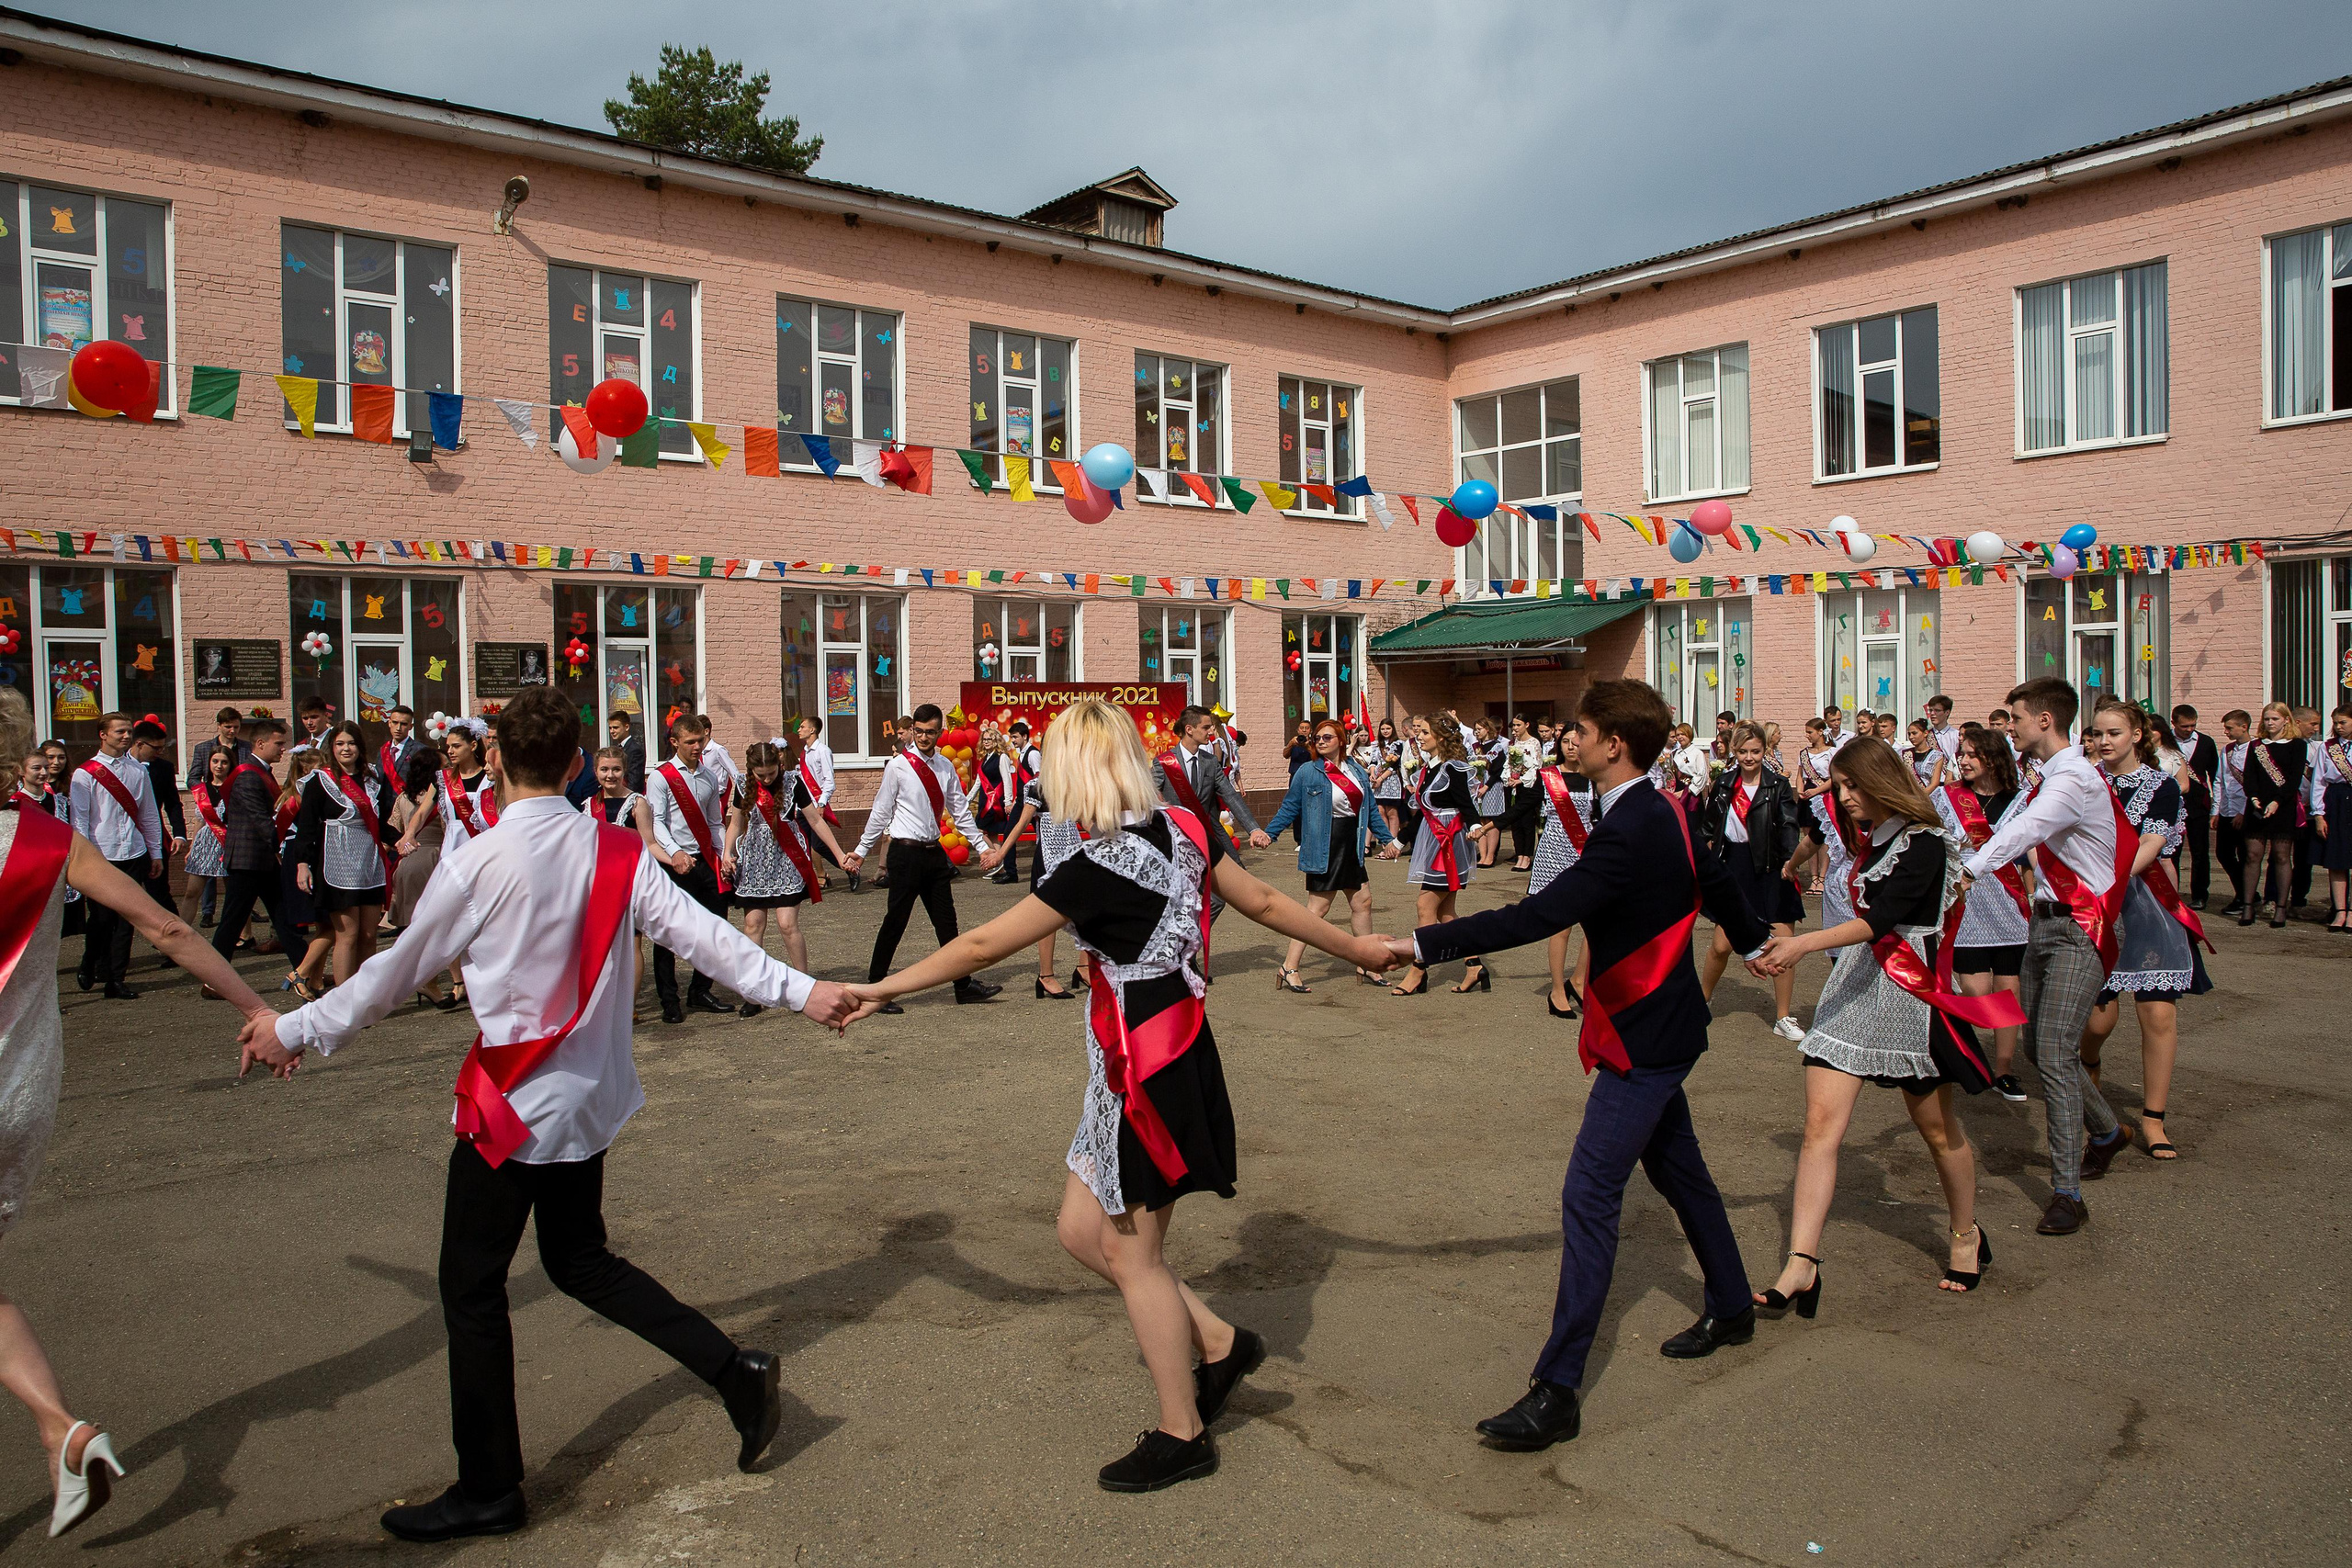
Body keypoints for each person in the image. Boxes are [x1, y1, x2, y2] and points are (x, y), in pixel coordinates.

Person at [238, 686, 856, 1543]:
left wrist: (294, 1027)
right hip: (586, 1100)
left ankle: (490, 1486)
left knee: (470, 1285)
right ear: (576, 765)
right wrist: (803, 990)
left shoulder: (480, 860)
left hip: (513, 1108)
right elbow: (705, 939)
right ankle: (734, 1371)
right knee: (579, 1259)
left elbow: (390, 976)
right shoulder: (615, 851)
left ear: (495, 757)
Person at [840, 697, 1392, 1492]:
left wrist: (878, 988)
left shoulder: (1095, 866)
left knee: (1133, 1254)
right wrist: (1357, 946)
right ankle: (1219, 1342)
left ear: (1074, 771)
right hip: (1142, 1053)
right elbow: (1266, 903)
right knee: (1078, 1230)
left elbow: (983, 942)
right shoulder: (1185, 827)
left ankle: (1183, 1430)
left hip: (1148, 1063)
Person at [1385, 681, 1770, 1451]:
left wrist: (1422, 943)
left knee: (1590, 1191)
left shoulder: (1632, 824)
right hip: (1662, 1024)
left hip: (1644, 1038)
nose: (1571, 739)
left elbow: (1541, 913)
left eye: (1582, 729)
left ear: (1615, 745)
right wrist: (1755, 938)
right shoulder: (1661, 804)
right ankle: (1732, 1304)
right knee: (1680, 1172)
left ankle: (1558, 1388)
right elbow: (1717, 878)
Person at [0, 687, 275, 1540]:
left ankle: (63, 1428)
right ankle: (61, 1430)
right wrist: (258, 1008)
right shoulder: (50, 839)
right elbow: (166, 927)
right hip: (23, 1084)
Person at [1750, 737, 2017, 1308]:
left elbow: (1886, 920)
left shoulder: (1926, 842)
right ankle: (1801, 1264)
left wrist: (1802, 945)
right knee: (1820, 1127)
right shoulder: (1875, 839)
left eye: (1853, 786)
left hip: (1907, 997)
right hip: (1854, 990)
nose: (1844, 797)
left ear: (1882, 780)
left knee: (1938, 1131)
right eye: (1839, 786)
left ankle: (1966, 1234)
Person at [1958, 677, 2132, 1236]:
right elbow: (2011, 827)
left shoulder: (2072, 779)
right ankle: (2106, 1132)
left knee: (2054, 1050)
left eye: (2016, 719)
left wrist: (1971, 870)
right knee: (2038, 1044)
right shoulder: (2046, 777)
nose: (2010, 728)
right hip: (2047, 923)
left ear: (2045, 722)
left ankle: (2067, 1193)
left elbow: (2029, 830)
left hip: (2084, 925)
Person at [2075, 698, 2211, 1163]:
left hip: (2145, 903)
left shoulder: (2161, 786)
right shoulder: (2082, 781)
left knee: (2157, 1015)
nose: (2103, 741)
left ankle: (2153, 1117)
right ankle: (2088, 1064)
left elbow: (2153, 843)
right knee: (2098, 1021)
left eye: (2113, 733)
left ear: (2137, 735)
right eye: (2096, 733)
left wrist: (2109, 882)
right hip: (2092, 906)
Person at [843, 703, 1004, 1012]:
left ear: (939, 732)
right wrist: (861, 852)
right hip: (905, 854)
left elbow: (960, 812)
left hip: (934, 854)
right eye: (919, 732)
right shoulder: (898, 766)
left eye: (931, 732)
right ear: (913, 731)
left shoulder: (944, 767)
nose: (924, 737)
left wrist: (982, 847)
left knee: (948, 923)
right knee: (896, 922)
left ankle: (963, 985)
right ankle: (875, 990)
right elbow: (880, 812)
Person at [1264, 717, 1400, 991]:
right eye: (1318, 738)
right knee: (1317, 910)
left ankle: (1366, 962)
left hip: (1351, 844)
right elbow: (1290, 807)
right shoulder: (1308, 772)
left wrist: (1388, 839)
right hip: (1324, 845)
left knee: (1362, 902)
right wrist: (1270, 833)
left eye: (1327, 737)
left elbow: (1371, 811)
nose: (1321, 742)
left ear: (1340, 739)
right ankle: (1288, 967)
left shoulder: (1357, 772)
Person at [1935, 726, 2032, 1100]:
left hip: (2009, 903)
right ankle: (1972, 1055)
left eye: (1971, 754)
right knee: (1975, 988)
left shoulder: (2023, 800)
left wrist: (2035, 891)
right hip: (1967, 901)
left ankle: (2004, 1069)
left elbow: (2030, 852)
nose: (1962, 760)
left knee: (2009, 986)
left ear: (1992, 759)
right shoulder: (1949, 796)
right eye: (1961, 753)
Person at [1699, 723, 1806, 1041]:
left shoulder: (1778, 785)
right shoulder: (1723, 784)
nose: (1749, 757)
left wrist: (1791, 860)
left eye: (1755, 752)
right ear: (1734, 751)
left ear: (1764, 751)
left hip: (1773, 866)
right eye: (1743, 752)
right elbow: (1708, 828)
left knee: (1783, 941)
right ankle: (1701, 1001)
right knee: (1721, 945)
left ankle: (1783, 1016)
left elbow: (1789, 824)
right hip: (1734, 866)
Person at [723, 740, 846, 1015]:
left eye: (771, 773)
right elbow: (735, 823)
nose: (767, 779)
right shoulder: (743, 786)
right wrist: (727, 852)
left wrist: (838, 855)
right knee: (753, 924)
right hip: (755, 860)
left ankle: (802, 988)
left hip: (787, 858)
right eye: (761, 775)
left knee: (787, 924)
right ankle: (754, 993)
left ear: (779, 765)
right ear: (751, 769)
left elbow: (814, 820)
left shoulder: (793, 782)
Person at [289, 719, 401, 990]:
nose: (346, 749)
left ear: (360, 747)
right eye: (340, 743)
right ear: (332, 747)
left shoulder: (372, 778)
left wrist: (402, 840)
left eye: (351, 743)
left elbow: (381, 821)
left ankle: (364, 996)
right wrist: (303, 864)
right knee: (347, 934)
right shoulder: (320, 781)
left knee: (369, 933)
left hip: (369, 862)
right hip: (338, 861)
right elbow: (306, 827)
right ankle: (344, 1000)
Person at [646, 716, 741, 1022]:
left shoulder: (710, 777)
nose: (698, 747)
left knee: (713, 928)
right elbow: (656, 822)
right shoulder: (660, 777)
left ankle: (700, 991)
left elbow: (715, 821)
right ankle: (669, 1000)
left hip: (704, 861)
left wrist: (722, 854)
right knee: (668, 935)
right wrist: (673, 853)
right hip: (675, 865)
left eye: (701, 740)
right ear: (675, 742)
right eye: (690, 742)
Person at [68, 713, 165, 1000]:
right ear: (103, 735)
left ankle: (116, 980)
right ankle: (90, 960)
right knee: (100, 919)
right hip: (101, 853)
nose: (126, 736)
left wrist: (155, 852)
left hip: (134, 853)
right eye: (119, 732)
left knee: (127, 920)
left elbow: (149, 815)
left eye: (128, 732)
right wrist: (82, 859)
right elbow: (80, 821)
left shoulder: (138, 771)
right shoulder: (85, 774)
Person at [1386, 716, 1481, 997]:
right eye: (1419, 731)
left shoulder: (1453, 769)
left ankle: (1418, 969)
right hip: (1432, 842)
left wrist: (1476, 825)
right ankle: (1474, 965)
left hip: (1448, 846)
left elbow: (1466, 804)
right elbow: (1422, 815)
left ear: (1441, 738)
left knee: (1425, 907)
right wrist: (1399, 841)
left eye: (1425, 732)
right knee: (1445, 913)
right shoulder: (1428, 770)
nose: (1420, 735)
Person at [1156, 706, 1272, 916]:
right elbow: (1147, 797)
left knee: (1223, 896)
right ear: (1189, 729)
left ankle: (1187, 943)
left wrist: (1253, 829)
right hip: (1176, 843)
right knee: (1190, 899)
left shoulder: (1210, 762)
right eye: (1206, 727)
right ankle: (1183, 943)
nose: (1212, 731)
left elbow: (1230, 795)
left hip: (1208, 837)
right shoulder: (1164, 762)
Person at [206, 720, 299, 977]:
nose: (283, 749)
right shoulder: (249, 775)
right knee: (231, 923)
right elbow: (260, 820)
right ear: (260, 743)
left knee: (283, 918)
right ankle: (213, 979)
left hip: (261, 859)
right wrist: (283, 845)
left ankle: (306, 971)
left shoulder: (262, 771)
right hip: (247, 860)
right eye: (278, 744)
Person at [1528, 726, 1595, 1019]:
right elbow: (1524, 809)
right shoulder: (1548, 777)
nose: (1571, 746)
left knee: (1595, 923)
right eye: (1565, 741)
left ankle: (1578, 981)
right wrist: (1487, 826)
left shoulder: (1594, 777)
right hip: (1554, 852)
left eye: (1576, 742)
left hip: (1586, 850)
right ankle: (1557, 990)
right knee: (1562, 925)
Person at [2238, 701, 2307, 929]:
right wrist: (2255, 798)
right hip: (2257, 806)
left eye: (2274, 719)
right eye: (2266, 719)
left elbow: (2294, 779)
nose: (2269, 723)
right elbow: (2250, 776)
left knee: (2281, 856)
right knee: (2252, 855)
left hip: (2283, 806)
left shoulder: (2297, 745)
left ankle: (2280, 907)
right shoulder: (2256, 745)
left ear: (2286, 720)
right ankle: (2247, 905)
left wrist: (2277, 801)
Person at [129, 720, 187, 925]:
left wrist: (179, 833)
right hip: (124, 841)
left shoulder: (163, 768)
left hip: (154, 837)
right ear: (139, 744)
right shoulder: (117, 766)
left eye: (163, 747)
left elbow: (173, 803)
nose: (161, 752)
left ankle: (174, 942)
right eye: (156, 748)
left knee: (159, 893)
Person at [181, 743, 233, 931]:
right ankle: (180, 933)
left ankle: (244, 936)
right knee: (191, 892)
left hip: (228, 844)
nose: (219, 766)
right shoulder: (202, 790)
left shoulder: (235, 787)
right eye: (215, 761)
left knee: (235, 895)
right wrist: (192, 846)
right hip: (204, 843)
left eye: (224, 762)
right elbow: (199, 821)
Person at [2311, 706, 2352, 931]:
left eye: (2343, 722)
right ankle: (2340, 910)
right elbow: (2318, 782)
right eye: (2335, 722)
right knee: (2337, 860)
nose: (2337, 726)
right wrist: (2318, 814)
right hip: (2335, 801)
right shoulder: (2327, 748)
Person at [969, 724, 1024, 885]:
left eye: (990, 739)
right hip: (985, 800)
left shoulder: (1002, 757)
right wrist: (967, 799)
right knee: (992, 835)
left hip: (996, 803)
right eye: (984, 739)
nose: (986, 742)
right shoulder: (985, 758)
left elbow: (1007, 781)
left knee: (980, 831)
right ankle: (1002, 868)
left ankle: (999, 860)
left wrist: (1008, 802)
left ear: (996, 740)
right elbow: (978, 783)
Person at [2216, 709, 2253, 917]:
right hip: (2226, 810)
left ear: (2244, 727)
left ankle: (2244, 896)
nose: (2226, 732)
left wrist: (2243, 811)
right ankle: (2244, 891)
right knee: (2223, 853)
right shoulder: (2227, 750)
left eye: (2230, 728)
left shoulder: (2256, 749)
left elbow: (2254, 784)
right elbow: (2220, 780)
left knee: (2246, 855)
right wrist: (2216, 810)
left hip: (2245, 812)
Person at [1470, 717, 1509, 868]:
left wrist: (1486, 786)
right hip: (1476, 786)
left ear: (1488, 729)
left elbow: (1499, 770)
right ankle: (1482, 854)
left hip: (1492, 786)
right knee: (1480, 820)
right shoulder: (1474, 747)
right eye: (1476, 730)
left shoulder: (1497, 747)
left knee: (1491, 821)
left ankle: (1490, 856)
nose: (1477, 732)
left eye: (1480, 729)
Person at [1370, 719, 1406, 844]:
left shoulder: (1398, 744)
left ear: (1393, 729)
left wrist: (1381, 778)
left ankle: (1393, 843)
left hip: (1390, 780)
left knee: (1391, 812)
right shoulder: (1376, 745)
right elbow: (1373, 762)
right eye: (1383, 729)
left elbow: (1394, 765)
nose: (1385, 731)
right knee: (1380, 812)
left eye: (1388, 728)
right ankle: (1386, 842)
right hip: (1377, 782)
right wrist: (1373, 774)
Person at [380, 705, 426, 792]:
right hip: (384, 804)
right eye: (395, 722)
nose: (398, 728)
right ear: (389, 723)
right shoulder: (383, 750)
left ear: (410, 727)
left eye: (404, 724)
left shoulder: (420, 751)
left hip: (409, 803)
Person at [607, 713, 648, 795]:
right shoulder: (617, 748)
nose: (612, 731)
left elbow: (634, 781)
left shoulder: (635, 750)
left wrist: (626, 798)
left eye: (615, 728)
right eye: (610, 728)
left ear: (626, 727)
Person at [1905, 718, 1950, 790]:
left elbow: (1934, 784)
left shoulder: (1937, 756)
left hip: (1928, 796)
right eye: (1909, 734)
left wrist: (1920, 797)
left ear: (1925, 733)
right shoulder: (1905, 754)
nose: (1911, 737)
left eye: (1914, 733)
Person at [288, 694, 332, 758]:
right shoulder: (302, 745)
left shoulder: (336, 741)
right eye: (305, 718)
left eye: (314, 717)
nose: (309, 723)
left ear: (326, 716)